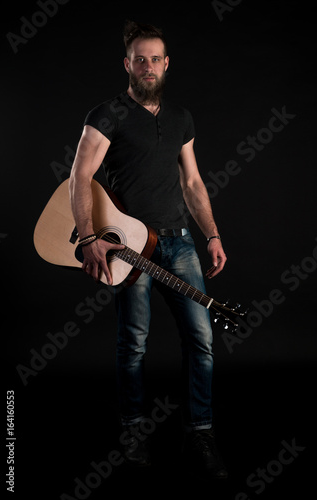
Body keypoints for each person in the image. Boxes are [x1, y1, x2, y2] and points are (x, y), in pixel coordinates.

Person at [69, 20, 228, 480]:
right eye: (140, 58)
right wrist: (87, 237)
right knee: (133, 344)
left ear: (166, 63)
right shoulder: (106, 115)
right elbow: (79, 177)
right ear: (127, 64)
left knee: (201, 341)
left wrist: (213, 235)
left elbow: (193, 183)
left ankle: (200, 432)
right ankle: (133, 432)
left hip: (178, 243)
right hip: (127, 249)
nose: (148, 66)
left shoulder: (181, 117)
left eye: (155, 58)